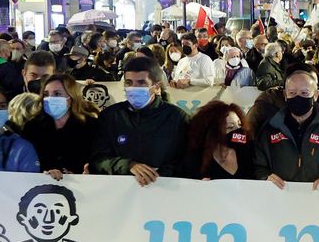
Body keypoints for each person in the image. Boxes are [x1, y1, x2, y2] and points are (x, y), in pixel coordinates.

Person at [90, 56, 189, 186]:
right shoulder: (110, 117)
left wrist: (159, 175)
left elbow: (187, 158)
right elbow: (97, 159)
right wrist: (128, 165)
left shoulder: (177, 117)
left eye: (141, 83)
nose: (133, 88)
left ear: (156, 86)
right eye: (129, 83)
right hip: (118, 194)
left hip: (165, 191)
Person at [256, 70, 319, 188]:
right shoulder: (270, 128)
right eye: (292, 93)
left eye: (304, 93)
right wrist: (265, 176)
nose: (298, 97)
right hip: (281, 198)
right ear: (285, 95)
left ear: (316, 94)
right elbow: (258, 164)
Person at [23, 75, 97, 180]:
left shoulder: (90, 126)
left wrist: (87, 173)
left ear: (71, 97)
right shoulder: (32, 127)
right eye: (46, 94)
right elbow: (26, 161)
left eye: (57, 94)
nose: (50, 98)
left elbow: (97, 159)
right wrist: (45, 172)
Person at [182, 101, 251, 180]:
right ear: (212, 132)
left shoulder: (247, 150)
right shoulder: (196, 157)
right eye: (230, 127)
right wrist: (198, 185)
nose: (238, 131)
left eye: (239, 124)